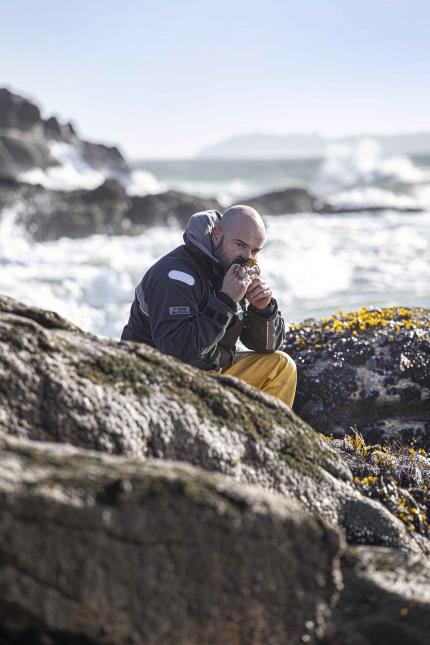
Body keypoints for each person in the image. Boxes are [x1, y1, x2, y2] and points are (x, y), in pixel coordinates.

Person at [121, 205, 297, 408]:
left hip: (211, 372)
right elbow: (178, 355)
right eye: (240, 245)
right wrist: (226, 300)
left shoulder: (231, 268)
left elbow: (266, 347)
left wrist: (263, 309)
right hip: (159, 380)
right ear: (216, 236)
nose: (248, 258)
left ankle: (268, 438)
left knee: (281, 366)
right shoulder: (175, 276)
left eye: (255, 251)